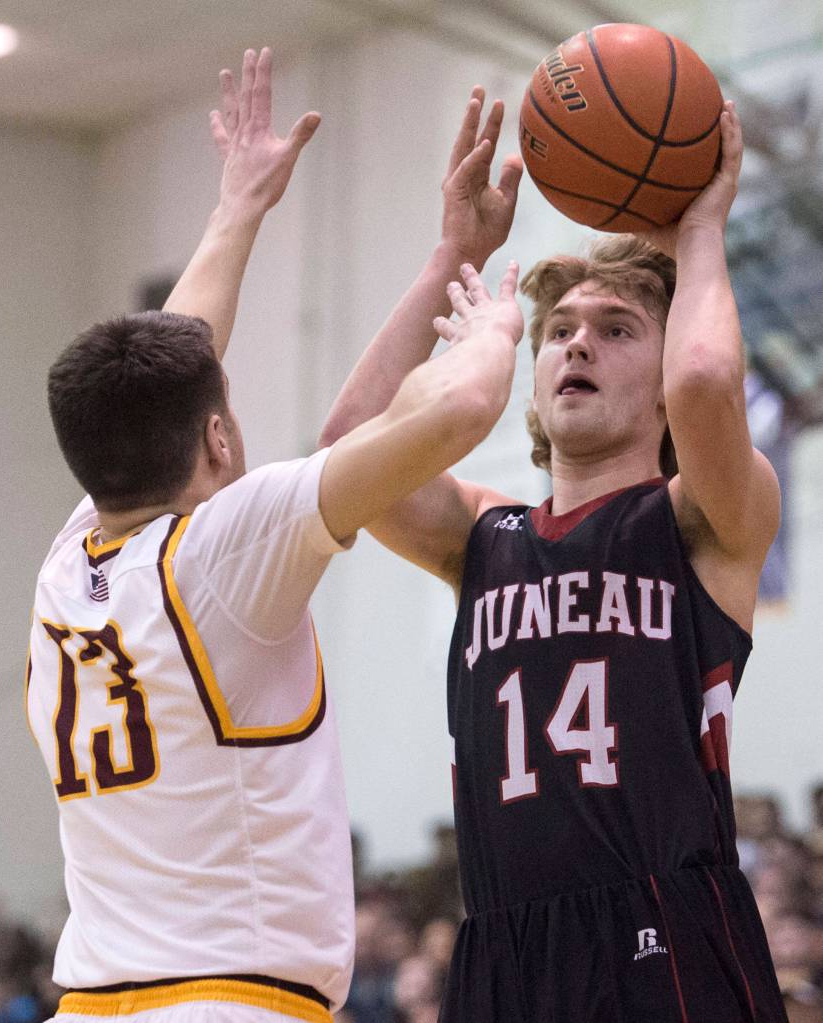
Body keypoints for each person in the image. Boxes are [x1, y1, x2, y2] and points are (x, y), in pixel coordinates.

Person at [26, 49, 524, 1023]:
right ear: (218, 434)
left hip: (89, 1005)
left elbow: (173, 357)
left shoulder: (71, 558)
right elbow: (457, 411)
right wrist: (491, 320)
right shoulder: (226, 547)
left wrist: (239, 207)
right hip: (229, 1006)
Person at [320, 95, 789, 1021]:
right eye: (561, 330)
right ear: (533, 380)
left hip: (663, 925)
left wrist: (697, 234)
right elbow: (348, 448)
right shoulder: (483, 537)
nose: (577, 341)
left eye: (616, 330)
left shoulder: (701, 518)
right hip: (499, 940)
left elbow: (702, 379)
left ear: (657, 381)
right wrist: (450, 258)